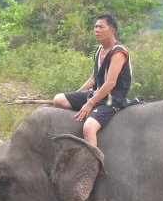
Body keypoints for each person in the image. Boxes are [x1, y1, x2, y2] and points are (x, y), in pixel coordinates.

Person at [52, 14, 132, 147]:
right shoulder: (100, 50)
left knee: (89, 128)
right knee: (58, 99)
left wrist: (90, 103)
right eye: (95, 27)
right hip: (96, 94)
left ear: (112, 30)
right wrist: (77, 94)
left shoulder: (118, 52)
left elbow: (111, 83)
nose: (96, 30)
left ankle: (95, 159)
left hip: (110, 101)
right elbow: (93, 78)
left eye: (101, 27)